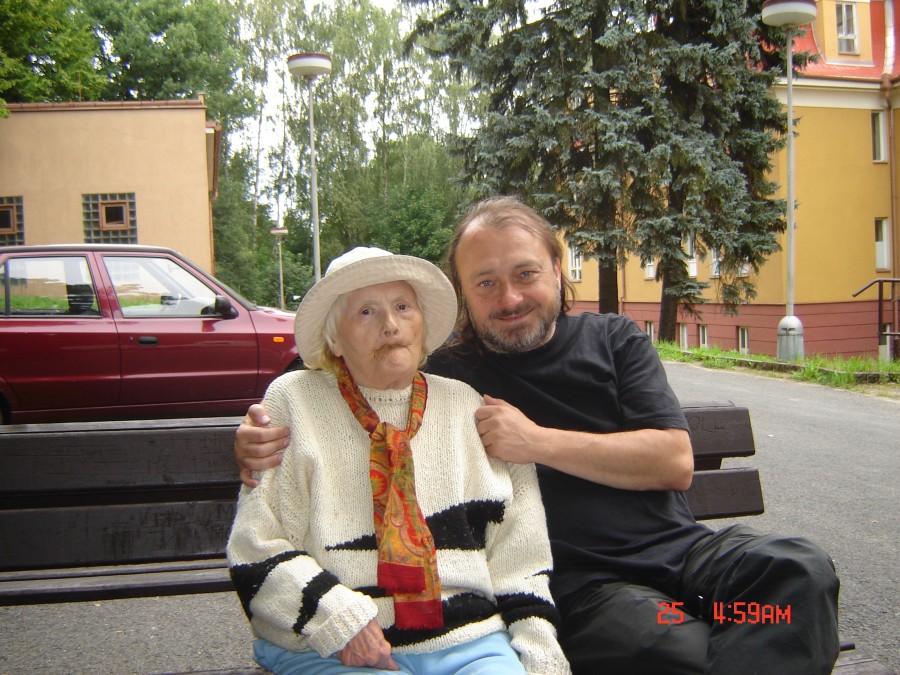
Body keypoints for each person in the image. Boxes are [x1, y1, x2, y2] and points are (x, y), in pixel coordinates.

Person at [234, 197, 841, 674]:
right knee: (682, 645)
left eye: (525, 273)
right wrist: (251, 438)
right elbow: (337, 377)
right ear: (463, 296)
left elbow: (673, 460)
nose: (510, 297)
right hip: (589, 590)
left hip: (689, 565)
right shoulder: (448, 374)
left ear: (556, 266)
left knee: (795, 575)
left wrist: (536, 441)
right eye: (485, 283)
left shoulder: (616, 341)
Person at [226, 245, 570, 675]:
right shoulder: (294, 401)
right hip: (326, 645)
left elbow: (518, 550)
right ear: (334, 339)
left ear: (422, 323)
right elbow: (256, 544)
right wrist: (339, 620)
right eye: (366, 312)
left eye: (403, 307)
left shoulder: (465, 406)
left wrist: (539, 651)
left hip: (469, 640)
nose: (390, 325)